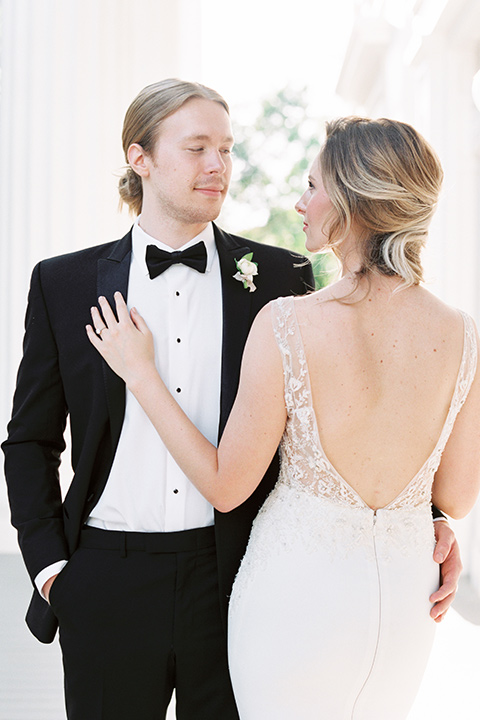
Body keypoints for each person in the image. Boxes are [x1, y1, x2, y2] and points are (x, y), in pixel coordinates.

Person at [86, 117, 480, 719]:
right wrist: (420, 519)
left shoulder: (289, 323)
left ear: (351, 203)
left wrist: (142, 375)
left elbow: (225, 487)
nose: (300, 201)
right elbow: (453, 495)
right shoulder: (464, 335)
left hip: (294, 602)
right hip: (405, 602)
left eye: (313, 185)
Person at [2, 79, 314, 720]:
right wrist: (54, 571)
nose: (218, 166)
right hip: (104, 581)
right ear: (139, 158)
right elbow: (30, 441)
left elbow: (324, 428)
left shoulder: (281, 278)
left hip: (234, 578)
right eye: (197, 147)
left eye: (226, 149)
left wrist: (427, 522)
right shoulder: (63, 283)